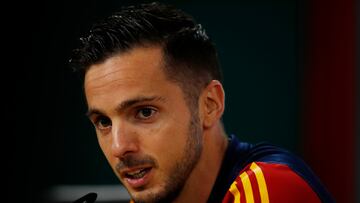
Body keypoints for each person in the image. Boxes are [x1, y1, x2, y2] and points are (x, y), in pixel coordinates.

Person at [69, 2, 334, 203]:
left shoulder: (267, 189)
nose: (119, 147)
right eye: (103, 121)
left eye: (144, 112)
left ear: (209, 105)